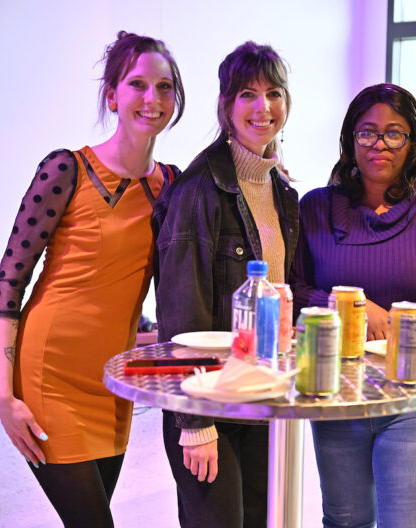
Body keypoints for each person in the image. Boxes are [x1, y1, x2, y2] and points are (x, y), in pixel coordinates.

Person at [0, 31, 183, 527]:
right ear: (112, 95)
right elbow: (9, 282)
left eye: (164, 86)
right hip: (50, 376)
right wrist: (1, 396)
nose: (152, 97)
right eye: (137, 84)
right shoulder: (66, 169)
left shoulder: (171, 184)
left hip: (115, 381)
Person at [291, 83, 416, 528]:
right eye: (367, 132)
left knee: (406, 522)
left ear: (414, 143)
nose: (380, 144)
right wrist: (351, 305)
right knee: (345, 520)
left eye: (394, 133)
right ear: (350, 140)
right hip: (335, 390)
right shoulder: (315, 207)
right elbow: (292, 289)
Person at [153, 42, 297, 528]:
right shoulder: (199, 189)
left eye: (274, 93)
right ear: (225, 105)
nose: (263, 107)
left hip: (261, 392)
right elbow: (181, 310)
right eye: (247, 95)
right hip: (210, 396)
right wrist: (195, 422)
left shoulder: (281, 190)